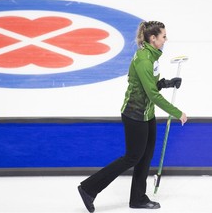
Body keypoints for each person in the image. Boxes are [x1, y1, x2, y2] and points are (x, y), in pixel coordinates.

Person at [77, 21, 187, 213]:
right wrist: (177, 113)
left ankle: (137, 198)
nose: (165, 40)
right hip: (135, 114)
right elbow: (152, 94)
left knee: (145, 157)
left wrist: (167, 83)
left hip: (147, 113)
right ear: (153, 38)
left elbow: (150, 85)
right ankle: (89, 188)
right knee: (132, 157)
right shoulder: (145, 59)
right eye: (163, 36)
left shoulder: (151, 55)